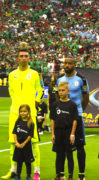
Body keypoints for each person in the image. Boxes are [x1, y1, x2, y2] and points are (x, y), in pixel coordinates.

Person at [2, 44, 43, 180]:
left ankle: (36, 172)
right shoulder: (12, 74)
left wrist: (36, 101)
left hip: (30, 114)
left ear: (29, 58)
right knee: (13, 142)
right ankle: (13, 170)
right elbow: (11, 92)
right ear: (17, 59)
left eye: (26, 56)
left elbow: (40, 90)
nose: (24, 58)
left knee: (34, 142)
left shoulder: (34, 74)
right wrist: (16, 105)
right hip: (15, 113)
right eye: (21, 56)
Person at [56, 57, 90, 180]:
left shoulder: (81, 79)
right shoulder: (59, 80)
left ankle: (81, 174)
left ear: (74, 65)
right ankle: (61, 174)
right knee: (63, 148)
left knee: (80, 147)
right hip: (62, 118)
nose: (67, 65)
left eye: (70, 63)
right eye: (65, 63)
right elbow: (57, 98)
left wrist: (79, 111)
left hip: (77, 116)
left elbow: (86, 98)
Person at [51, 82, 78, 180]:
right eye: (59, 91)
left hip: (68, 132)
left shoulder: (72, 105)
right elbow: (52, 119)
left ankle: (70, 176)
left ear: (68, 91)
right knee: (59, 154)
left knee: (69, 154)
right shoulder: (55, 104)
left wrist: (72, 134)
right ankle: (59, 175)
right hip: (58, 132)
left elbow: (75, 120)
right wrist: (53, 133)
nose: (61, 92)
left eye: (63, 90)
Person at [13, 104, 35, 180]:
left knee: (28, 162)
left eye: (25, 111)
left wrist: (23, 143)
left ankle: (28, 175)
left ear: (28, 112)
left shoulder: (31, 123)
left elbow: (30, 135)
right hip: (18, 145)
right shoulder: (18, 121)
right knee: (19, 161)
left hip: (27, 146)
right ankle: (18, 175)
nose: (23, 113)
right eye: (21, 111)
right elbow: (15, 133)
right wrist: (16, 143)